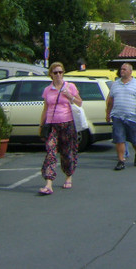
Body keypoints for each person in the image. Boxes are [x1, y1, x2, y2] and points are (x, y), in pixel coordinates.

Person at [38, 62, 83, 195]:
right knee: (50, 152)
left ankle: (68, 176)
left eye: (60, 72)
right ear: (51, 74)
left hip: (67, 123)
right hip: (52, 125)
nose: (58, 75)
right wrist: (41, 125)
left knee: (67, 152)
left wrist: (69, 95)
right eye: (55, 72)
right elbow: (45, 108)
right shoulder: (47, 90)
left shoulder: (70, 86)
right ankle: (48, 183)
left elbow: (80, 102)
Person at [106, 63, 136, 171]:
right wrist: (108, 113)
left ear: (130, 71)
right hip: (118, 116)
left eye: (124, 69)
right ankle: (121, 160)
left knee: (135, 140)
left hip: (132, 117)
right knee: (119, 139)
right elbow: (110, 100)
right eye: (121, 69)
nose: (122, 71)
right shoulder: (115, 84)